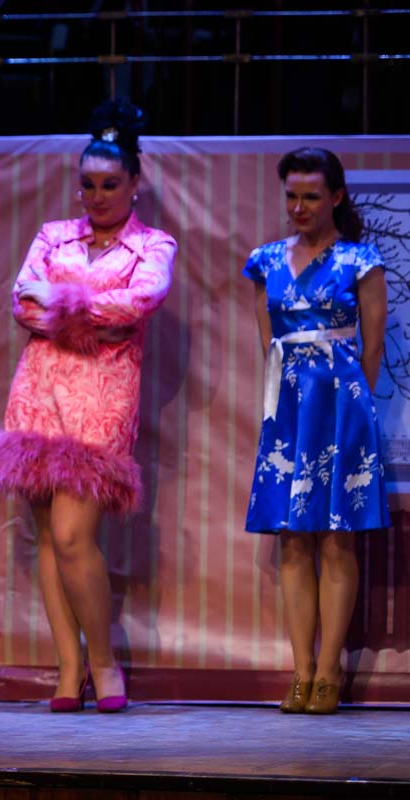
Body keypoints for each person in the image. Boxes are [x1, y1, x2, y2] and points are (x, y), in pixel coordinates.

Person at [0, 99, 176, 713]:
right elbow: (23, 306)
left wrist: (59, 299)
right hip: (39, 392)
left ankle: (103, 661)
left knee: (74, 536)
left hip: (103, 397)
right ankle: (68, 668)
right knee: (48, 536)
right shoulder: (54, 235)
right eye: (88, 185)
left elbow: (139, 303)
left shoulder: (153, 244)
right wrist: (85, 311)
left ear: (134, 183)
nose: (97, 196)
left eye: (110, 184)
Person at [242, 147, 389, 715]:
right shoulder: (265, 261)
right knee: (293, 538)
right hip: (287, 408)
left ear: (336, 196)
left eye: (310, 196)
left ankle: (330, 671)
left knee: (337, 538)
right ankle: (300, 670)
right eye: (291, 195)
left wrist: (351, 406)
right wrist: (283, 401)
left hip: (342, 405)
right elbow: (268, 341)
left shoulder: (361, 260)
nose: (298, 206)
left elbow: (371, 349)